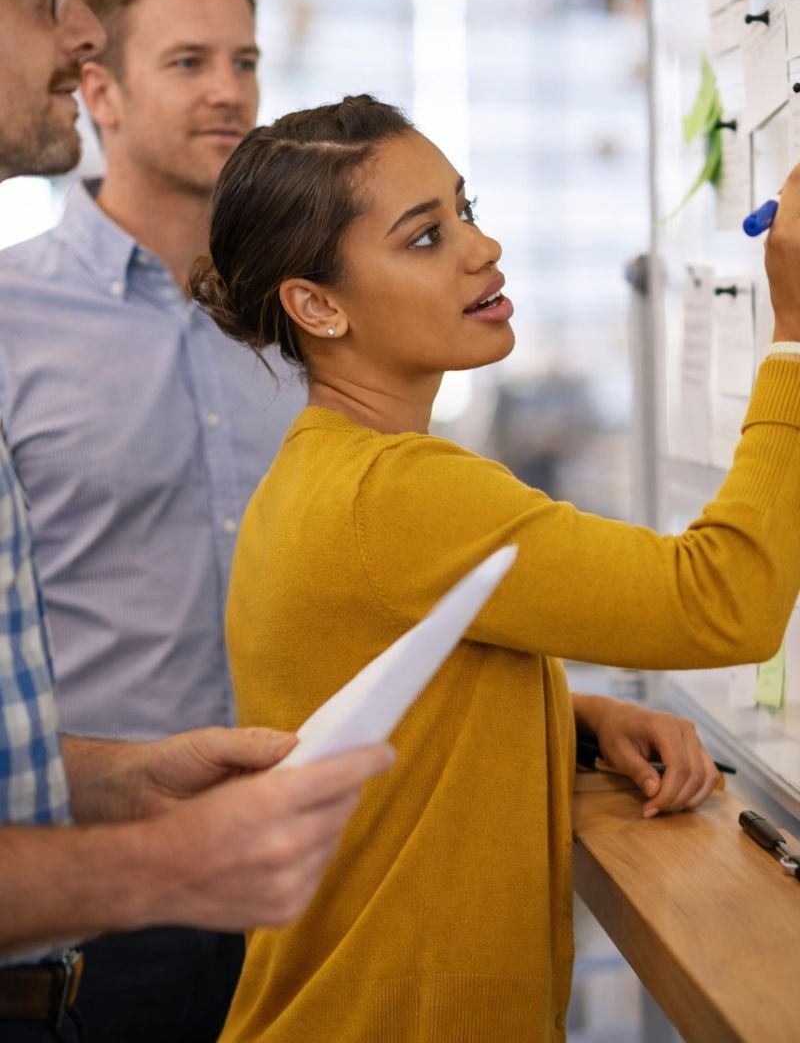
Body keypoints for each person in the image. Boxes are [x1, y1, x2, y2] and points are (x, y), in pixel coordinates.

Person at [190, 93, 800, 1043]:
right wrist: (794, 342)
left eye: (464, 209)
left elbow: (386, 704)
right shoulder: (400, 492)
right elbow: (722, 604)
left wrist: (574, 719)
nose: (484, 249)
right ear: (317, 306)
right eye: (425, 238)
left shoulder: (320, 470)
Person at [0, 0, 393, 1043]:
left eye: (246, 62)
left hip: (309, 858)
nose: (230, 94)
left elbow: (380, 571)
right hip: (87, 899)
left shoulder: (311, 321)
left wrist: (559, 701)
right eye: (188, 63)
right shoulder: (9, 320)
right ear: (99, 88)